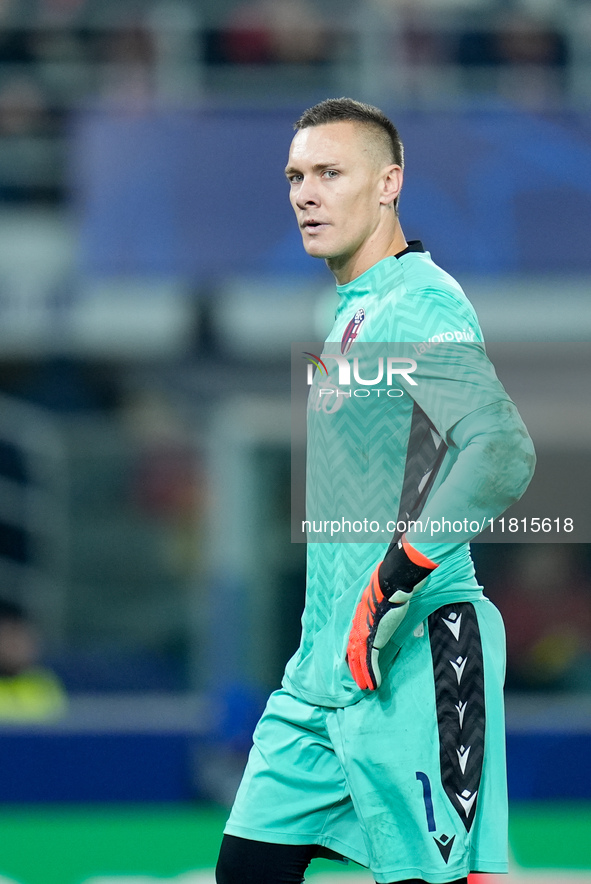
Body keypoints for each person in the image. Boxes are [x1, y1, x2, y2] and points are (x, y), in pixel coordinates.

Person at [216, 98, 535, 884]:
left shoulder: (417, 303)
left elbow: (499, 449)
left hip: (419, 663)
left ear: (389, 183)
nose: (304, 193)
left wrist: (396, 573)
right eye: (295, 175)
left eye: (330, 172)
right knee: (246, 871)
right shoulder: (353, 312)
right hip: (321, 680)